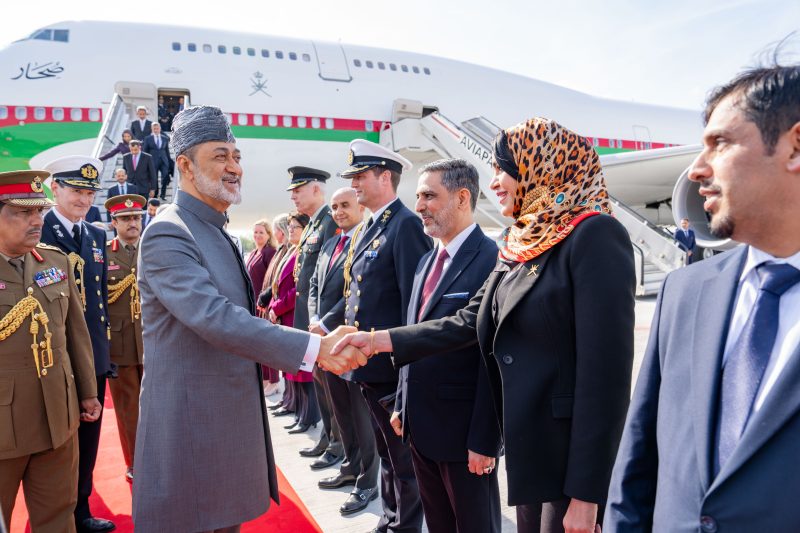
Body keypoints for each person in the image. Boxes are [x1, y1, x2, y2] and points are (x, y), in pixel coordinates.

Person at [335, 118, 636, 533]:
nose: (493, 183)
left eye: (503, 170)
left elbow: (606, 380)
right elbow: (465, 323)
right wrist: (376, 340)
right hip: (530, 453)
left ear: (541, 166)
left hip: (568, 461)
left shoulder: (594, 235)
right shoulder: (523, 242)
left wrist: (588, 496)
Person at [131, 105, 358, 533]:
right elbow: (216, 319)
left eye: (237, 156)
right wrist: (315, 349)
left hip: (221, 430)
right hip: (190, 434)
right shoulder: (169, 232)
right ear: (184, 164)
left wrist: (308, 335)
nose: (234, 167)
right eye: (220, 156)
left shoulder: (215, 229)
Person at [605, 63, 800, 532]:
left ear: (795, 146)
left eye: (721, 143)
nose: (696, 169)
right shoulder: (685, 291)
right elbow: (639, 461)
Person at [392, 159, 502, 532]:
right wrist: (402, 404)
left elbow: (493, 360)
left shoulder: (493, 261)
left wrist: (486, 440)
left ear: (462, 197)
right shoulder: (427, 260)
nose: (419, 205)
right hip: (421, 429)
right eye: (418, 196)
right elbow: (416, 331)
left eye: (429, 196)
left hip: (464, 439)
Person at [336, 139, 433, 533]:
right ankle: (391, 517)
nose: (355, 184)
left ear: (385, 177)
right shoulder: (373, 226)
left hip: (391, 366)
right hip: (368, 365)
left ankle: (405, 526)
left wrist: (407, 368)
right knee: (386, 453)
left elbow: (415, 303)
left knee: (403, 459)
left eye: (361, 176)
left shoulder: (406, 225)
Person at [0, 170, 101, 533]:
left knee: (59, 518)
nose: (36, 220)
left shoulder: (55, 262)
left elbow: (77, 334)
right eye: (22, 212)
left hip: (58, 417)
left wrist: (88, 393)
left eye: (39, 211)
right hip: (3, 430)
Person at [39, 156, 115, 533]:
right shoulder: (38, 231)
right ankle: (55, 514)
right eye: (76, 191)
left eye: (89, 192)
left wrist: (104, 355)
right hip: (51, 356)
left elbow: (99, 298)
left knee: (89, 439)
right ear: (55, 189)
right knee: (55, 444)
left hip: (91, 357)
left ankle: (80, 511)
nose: (84, 200)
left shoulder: (96, 235)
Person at [308, 187, 379, 514]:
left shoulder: (365, 241)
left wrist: (324, 322)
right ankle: (350, 466)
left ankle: (367, 482)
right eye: (334, 206)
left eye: (345, 205)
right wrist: (313, 319)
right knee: (340, 412)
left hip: (348, 339)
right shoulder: (331, 243)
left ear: (359, 208)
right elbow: (313, 286)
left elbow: (353, 293)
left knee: (360, 415)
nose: (338, 211)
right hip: (324, 341)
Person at [287, 166, 343, 468]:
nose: (293, 195)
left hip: (323, 323)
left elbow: (333, 281)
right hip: (308, 319)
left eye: (299, 189)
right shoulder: (312, 225)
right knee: (321, 385)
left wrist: (323, 321)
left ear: (316, 189)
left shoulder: (330, 222)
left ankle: (337, 444)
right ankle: (328, 437)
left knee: (331, 388)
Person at [104, 194, 146, 483]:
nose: (133, 223)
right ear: (114, 222)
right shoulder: (104, 253)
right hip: (119, 345)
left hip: (154, 341)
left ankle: (162, 455)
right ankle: (135, 462)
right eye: (126, 218)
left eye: (137, 217)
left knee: (161, 404)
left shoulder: (153, 248)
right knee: (128, 408)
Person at [267, 212, 319, 434]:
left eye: (295, 228)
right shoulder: (292, 251)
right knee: (292, 369)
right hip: (286, 316)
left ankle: (307, 416)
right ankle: (298, 410)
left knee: (303, 371)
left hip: (295, 315)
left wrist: (277, 307)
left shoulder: (303, 253)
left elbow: (298, 289)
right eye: (289, 227)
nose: (291, 231)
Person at [258, 214, 290, 400]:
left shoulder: (283, 250)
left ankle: (277, 384)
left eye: (278, 228)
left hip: (279, 307)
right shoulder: (281, 250)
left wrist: (271, 300)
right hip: (270, 305)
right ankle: (289, 398)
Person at [246, 218, 277, 395]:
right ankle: (265, 378)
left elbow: (273, 279)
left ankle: (274, 380)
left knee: (268, 343)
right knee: (259, 343)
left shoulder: (269, 252)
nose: (258, 235)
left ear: (268, 235)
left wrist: (267, 301)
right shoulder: (253, 253)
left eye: (261, 232)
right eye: (255, 232)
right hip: (254, 305)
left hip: (264, 305)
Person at [142, 122, 173, 200]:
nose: (156, 130)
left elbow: (167, 151)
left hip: (164, 160)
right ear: (152, 129)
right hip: (152, 161)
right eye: (154, 128)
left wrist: (169, 161)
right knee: (154, 178)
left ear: (160, 129)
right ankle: (155, 194)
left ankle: (163, 195)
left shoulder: (165, 138)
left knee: (165, 177)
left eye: (157, 128)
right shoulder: (148, 138)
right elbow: (145, 151)